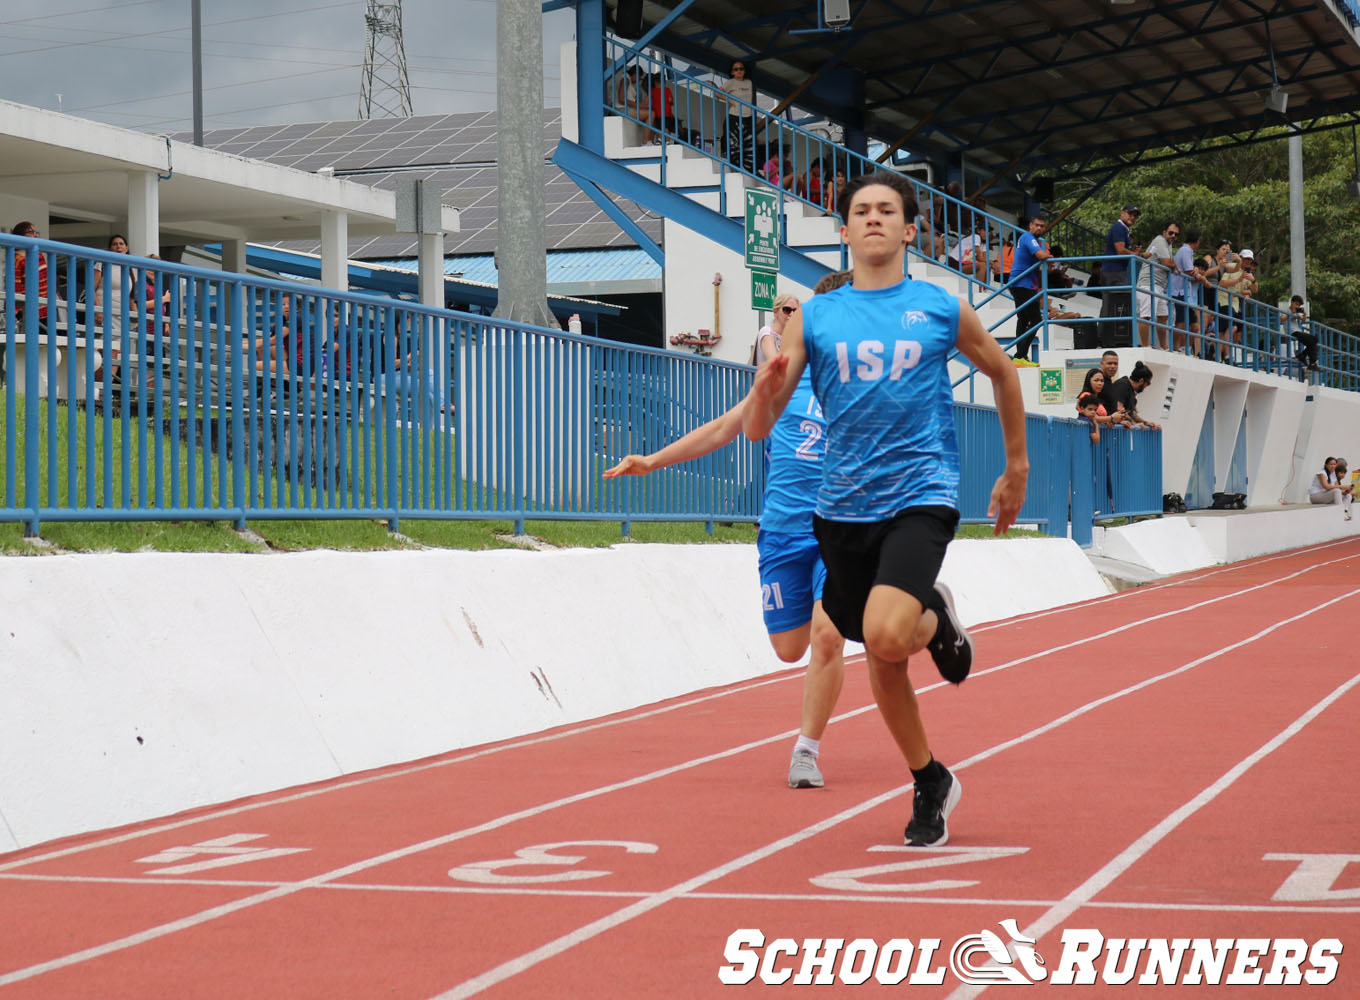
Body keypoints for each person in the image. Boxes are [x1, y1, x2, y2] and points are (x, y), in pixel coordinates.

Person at [742, 170, 1028, 848]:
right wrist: (765, 389)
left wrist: (1015, 467)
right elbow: (763, 425)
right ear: (842, 232)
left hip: (920, 494)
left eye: (887, 210)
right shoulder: (813, 317)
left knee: (887, 632)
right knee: (882, 653)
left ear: (908, 230)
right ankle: (931, 779)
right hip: (840, 508)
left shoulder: (938, 307)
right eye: (861, 211)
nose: (873, 219)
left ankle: (929, 614)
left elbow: (1004, 372)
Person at [606, 269, 853, 790]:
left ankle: (806, 750)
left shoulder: (862, 385)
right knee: (789, 648)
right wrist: (651, 461)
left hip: (839, 529)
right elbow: (723, 429)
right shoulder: (783, 380)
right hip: (783, 531)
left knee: (828, 636)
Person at [1094, 205, 1141, 349]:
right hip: (1114, 272)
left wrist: (1134, 252)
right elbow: (1120, 250)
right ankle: (1112, 338)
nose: (1132, 217)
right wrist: (1134, 254)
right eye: (1130, 214)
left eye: (1135, 215)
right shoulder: (1120, 227)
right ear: (1122, 213)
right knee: (1119, 303)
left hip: (1113, 270)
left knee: (1110, 305)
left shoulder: (1122, 229)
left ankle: (1104, 337)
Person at [1008, 212, 1051, 363]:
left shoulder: (1034, 240)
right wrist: (1050, 258)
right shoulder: (1028, 237)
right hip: (1021, 284)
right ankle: (1020, 355)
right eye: (1037, 225)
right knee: (1037, 320)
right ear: (1030, 225)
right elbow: (1041, 256)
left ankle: (1020, 357)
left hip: (1023, 283)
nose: (1039, 228)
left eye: (1042, 226)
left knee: (1023, 319)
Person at [1137, 221, 1177, 350]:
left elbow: (1169, 264)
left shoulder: (1168, 245)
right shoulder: (1160, 241)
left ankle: (1164, 347)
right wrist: (1175, 265)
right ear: (1164, 232)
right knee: (1146, 316)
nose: (1173, 236)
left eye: (1176, 234)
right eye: (1171, 233)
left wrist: (1173, 265)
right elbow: (1166, 262)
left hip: (1159, 285)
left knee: (1163, 316)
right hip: (1148, 283)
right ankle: (1145, 346)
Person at [9, 221, 50, 334]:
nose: (35, 235)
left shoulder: (39, 255)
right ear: (20, 235)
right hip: (27, 309)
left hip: (45, 307)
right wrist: (15, 311)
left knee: (46, 343)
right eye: (30, 232)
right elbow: (15, 285)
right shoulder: (16, 259)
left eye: (35, 232)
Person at [1104, 359, 1162, 431]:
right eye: (1148, 383)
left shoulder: (1131, 390)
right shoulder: (1122, 385)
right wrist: (1134, 424)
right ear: (1141, 381)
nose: (1146, 386)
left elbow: (1132, 413)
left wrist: (1146, 423)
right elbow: (1119, 409)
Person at [719, 59, 755, 172]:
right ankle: (735, 168)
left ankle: (748, 168)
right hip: (734, 116)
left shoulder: (749, 82)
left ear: (744, 71)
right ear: (732, 72)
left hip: (748, 117)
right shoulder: (731, 82)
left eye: (741, 68)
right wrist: (730, 101)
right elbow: (717, 92)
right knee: (734, 144)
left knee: (747, 144)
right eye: (736, 69)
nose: (739, 71)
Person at [753, 293, 798, 364]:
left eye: (795, 311)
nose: (792, 314)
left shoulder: (793, 337)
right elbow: (774, 361)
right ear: (775, 312)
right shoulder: (767, 332)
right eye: (786, 310)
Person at [1308, 456, 1352, 520]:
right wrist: (1342, 486)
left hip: (1325, 496)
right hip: (1315, 497)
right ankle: (1340, 513)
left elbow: (1339, 490)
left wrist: (1346, 491)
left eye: (1334, 464)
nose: (1333, 466)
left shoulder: (1333, 474)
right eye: (1331, 464)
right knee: (1336, 491)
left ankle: (1344, 512)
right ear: (1326, 465)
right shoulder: (1321, 473)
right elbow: (1326, 486)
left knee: (1348, 496)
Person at [1285, 295, 1318, 374]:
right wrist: (1291, 313)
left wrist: (1304, 313)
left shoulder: (1295, 312)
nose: (1297, 306)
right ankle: (1312, 363)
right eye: (1296, 304)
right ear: (1292, 302)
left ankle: (1302, 355)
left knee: (1315, 339)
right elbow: (1281, 318)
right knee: (1311, 342)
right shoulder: (1287, 311)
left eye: (1299, 305)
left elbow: (1303, 320)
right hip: (1292, 332)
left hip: (1298, 331)